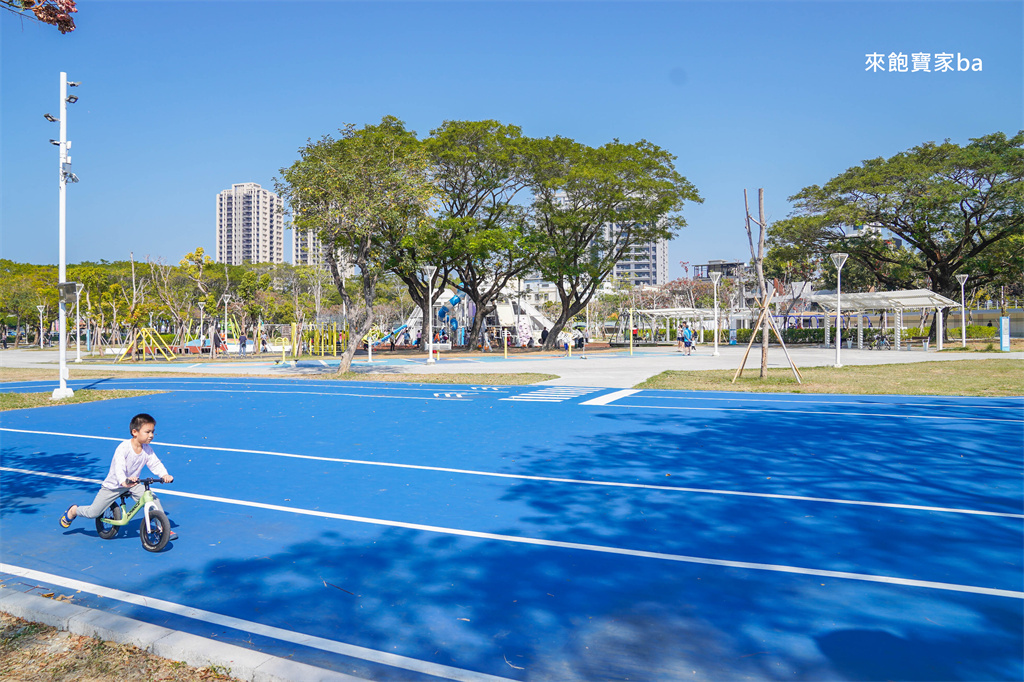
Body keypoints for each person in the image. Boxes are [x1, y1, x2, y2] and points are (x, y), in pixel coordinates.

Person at [60, 413, 177, 541]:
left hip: (133, 484)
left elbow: (155, 463)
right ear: (135, 432)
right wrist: (123, 481)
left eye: (153, 432)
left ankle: (162, 529)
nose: (151, 435)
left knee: (153, 500)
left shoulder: (147, 449)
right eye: (147, 432)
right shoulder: (123, 448)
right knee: (93, 512)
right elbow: (119, 467)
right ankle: (74, 511)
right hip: (114, 486)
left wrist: (164, 474)